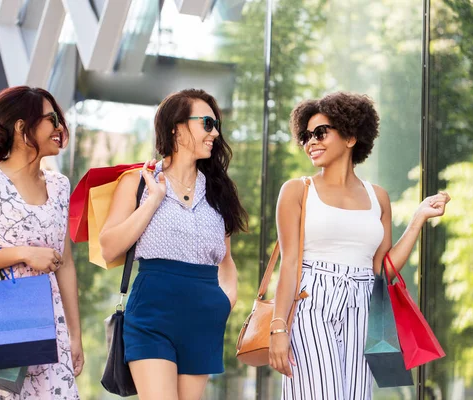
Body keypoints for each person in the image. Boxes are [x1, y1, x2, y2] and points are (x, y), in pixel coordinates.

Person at [269, 92, 451, 400]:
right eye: (305, 136)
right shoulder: (297, 191)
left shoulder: (377, 197)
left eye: (320, 132)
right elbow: (288, 264)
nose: (311, 141)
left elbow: (383, 270)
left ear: (351, 136)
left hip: (364, 304)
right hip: (312, 298)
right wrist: (277, 328)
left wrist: (418, 218)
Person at [99, 88, 247, 400]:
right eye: (207, 123)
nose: (215, 133)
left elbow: (226, 260)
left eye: (216, 124)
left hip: (205, 314)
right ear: (176, 128)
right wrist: (152, 202)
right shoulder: (137, 182)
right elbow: (109, 247)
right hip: (152, 311)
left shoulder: (219, 192)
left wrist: (227, 301)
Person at [0, 86, 83, 399]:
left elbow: (66, 265)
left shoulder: (60, 186)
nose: (60, 128)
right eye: (51, 120)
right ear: (23, 127)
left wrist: (75, 336)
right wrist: (23, 254)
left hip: (49, 329)